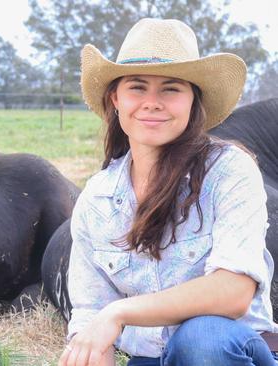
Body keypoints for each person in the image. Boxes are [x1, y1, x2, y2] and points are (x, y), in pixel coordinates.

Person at [59, 18, 278, 366]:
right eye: (137, 87)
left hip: (225, 352)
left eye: (171, 89)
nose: (152, 102)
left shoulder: (230, 170)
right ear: (115, 98)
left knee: (202, 339)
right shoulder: (97, 198)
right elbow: (89, 310)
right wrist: (92, 349)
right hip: (148, 357)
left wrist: (118, 313)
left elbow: (232, 292)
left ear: (194, 100)